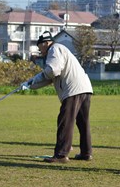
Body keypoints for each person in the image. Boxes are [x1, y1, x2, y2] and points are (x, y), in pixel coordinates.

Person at [21, 31, 93, 163]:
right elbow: (50, 78)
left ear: (46, 43)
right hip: (85, 89)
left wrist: (34, 79)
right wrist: (30, 84)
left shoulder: (54, 49)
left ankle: (61, 155)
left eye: (40, 47)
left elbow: (53, 71)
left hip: (73, 90)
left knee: (64, 121)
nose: (40, 50)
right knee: (83, 122)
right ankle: (86, 152)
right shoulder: (58, 51)